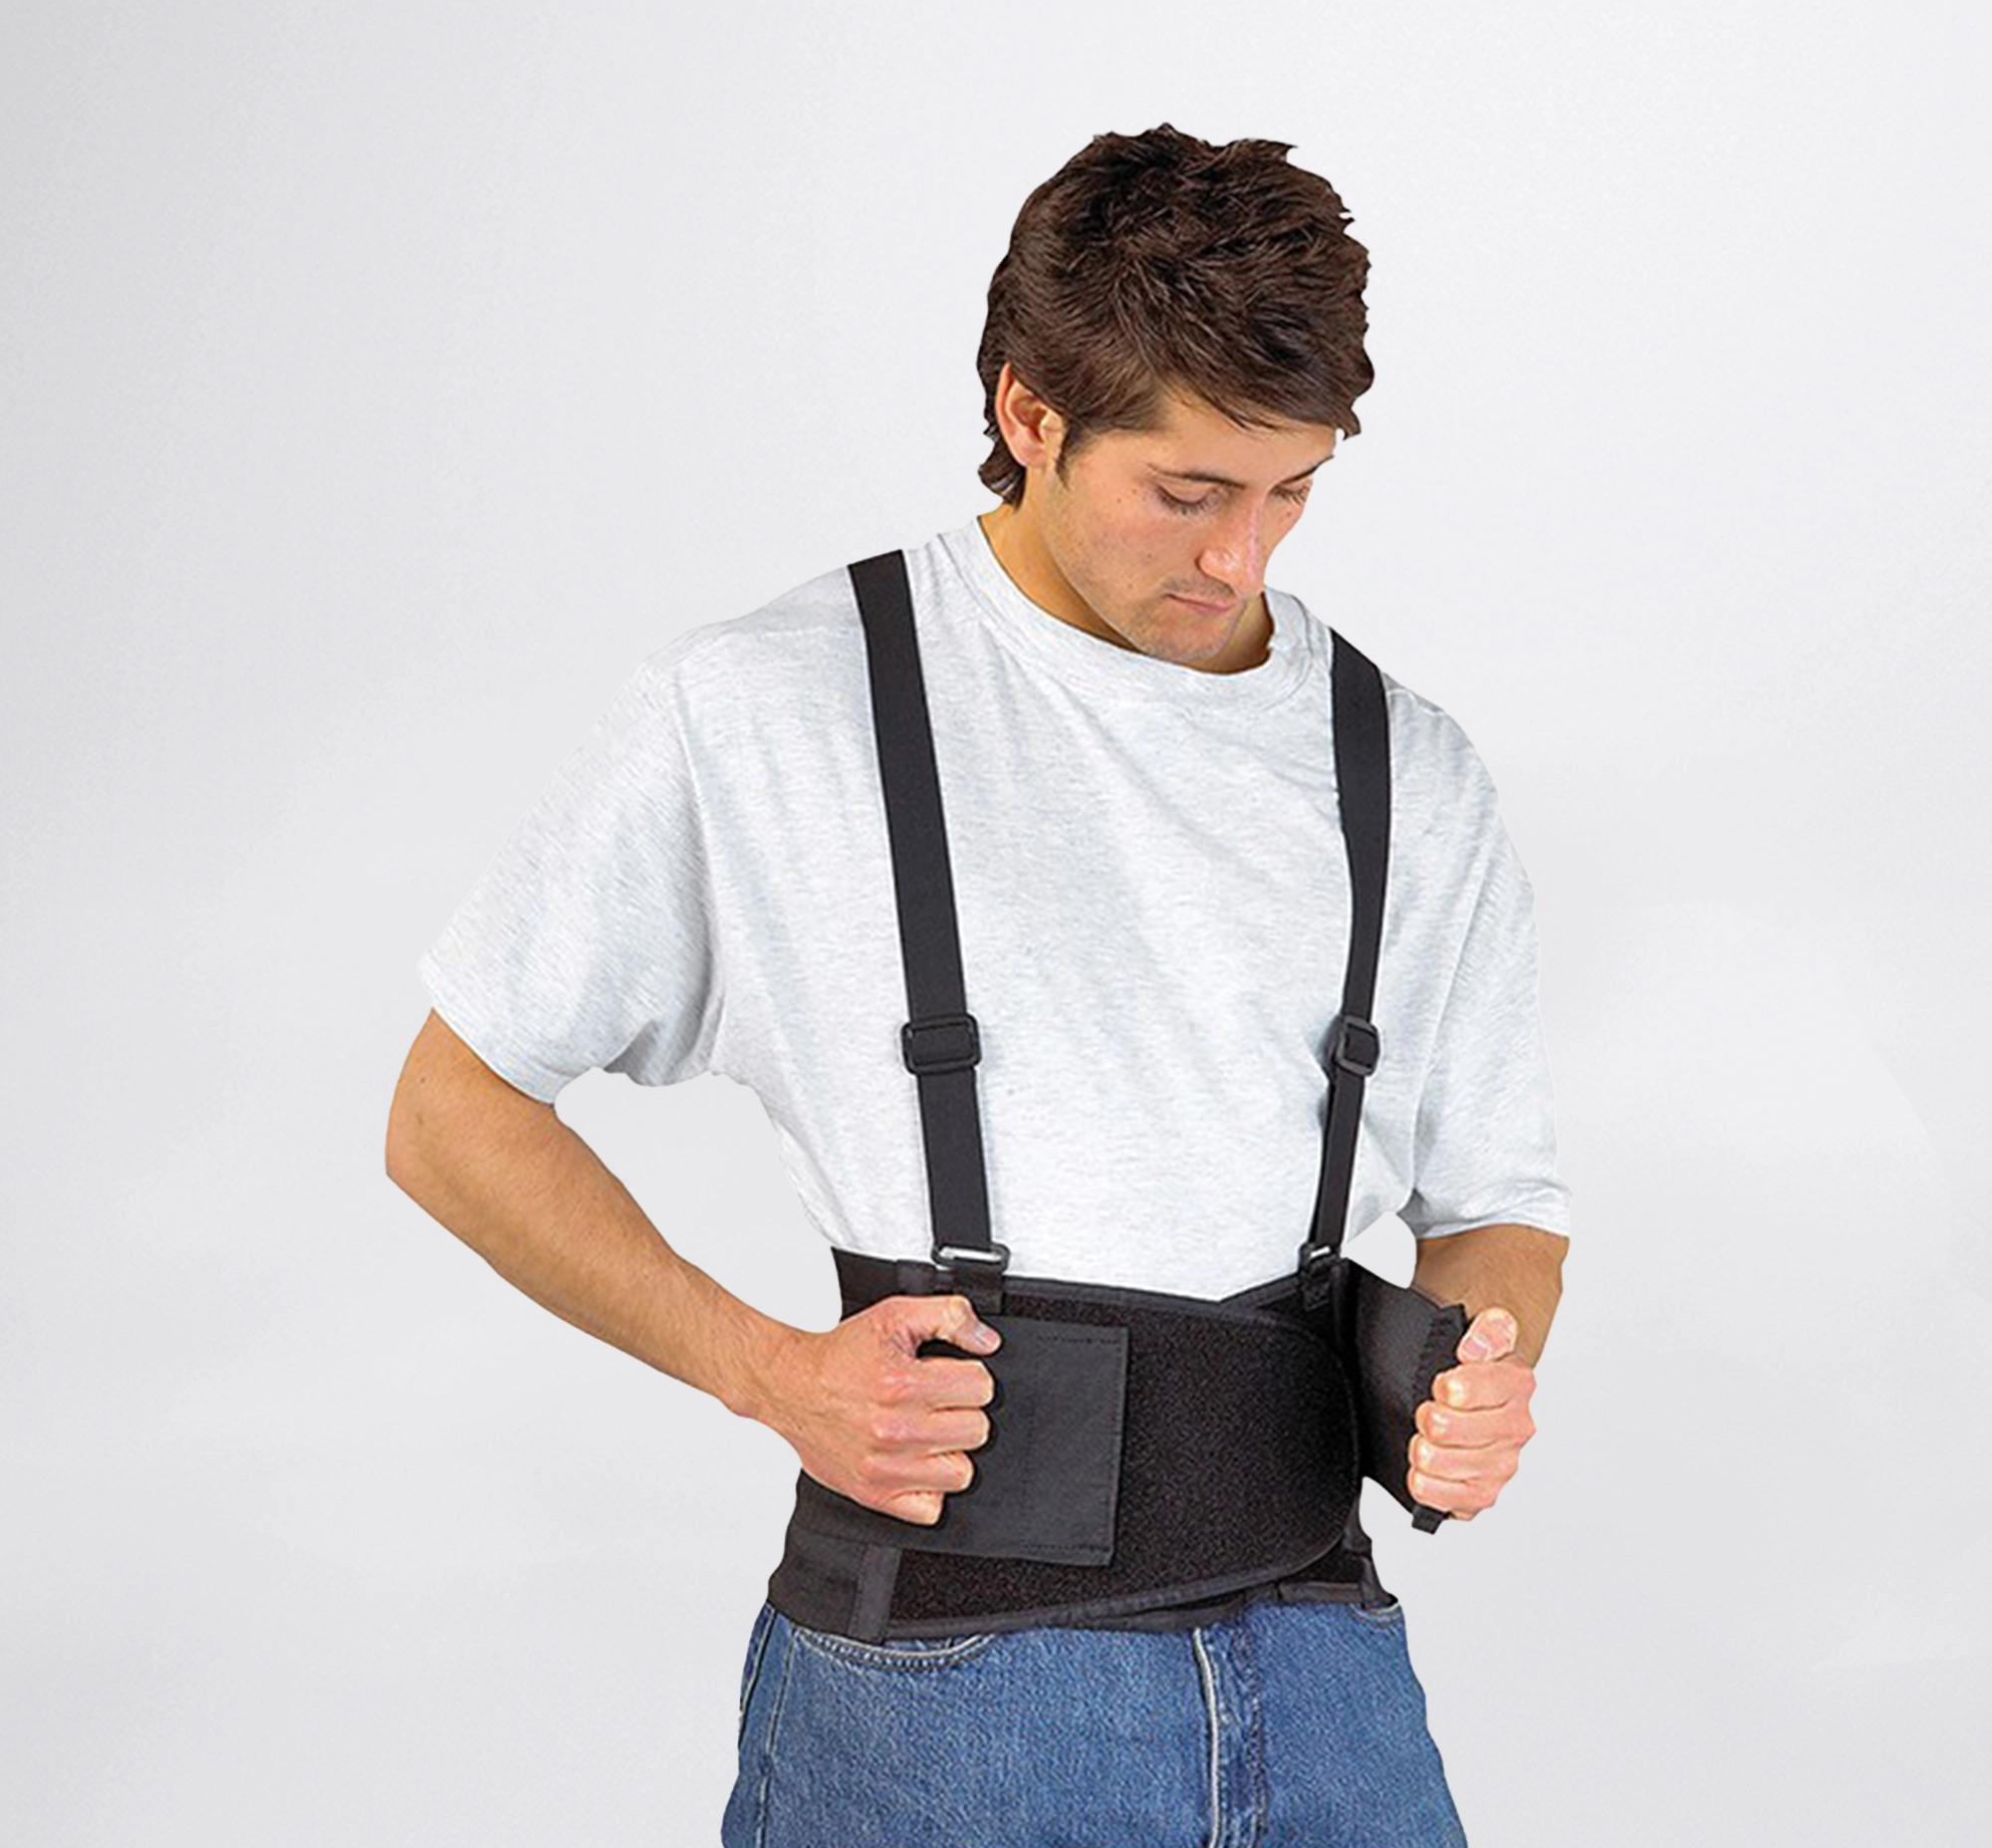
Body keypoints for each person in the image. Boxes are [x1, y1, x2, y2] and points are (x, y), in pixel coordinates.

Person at [385, 123, 1571, 1847]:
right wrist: (763, 1368)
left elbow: (1501, 1201)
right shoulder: (776, 707)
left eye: (1292, 492)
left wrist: (1480, 1375)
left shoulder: (1405, 764)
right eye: (1188, 493)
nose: (1241, 559)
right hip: (947, 1706)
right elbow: (451, 1113)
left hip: (1329, 1683)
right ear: (1031, 414)